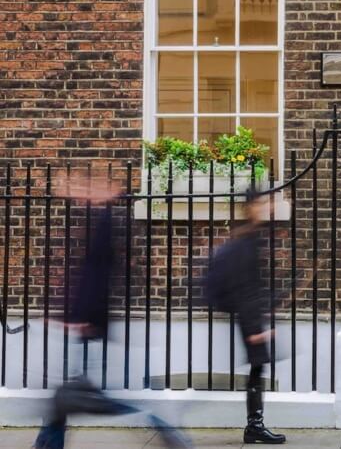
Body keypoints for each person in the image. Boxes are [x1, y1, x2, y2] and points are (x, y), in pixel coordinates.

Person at [35, 173, 192, 449]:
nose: (85, 192)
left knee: (85, 398)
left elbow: (96, 279)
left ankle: (157, 422)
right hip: (88, 324)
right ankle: (47, 443)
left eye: (92, 188)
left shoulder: (105, 225)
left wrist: (80, 319)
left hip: (90, 327)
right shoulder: (99, 222)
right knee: (65, 395)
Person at [206, 191, 286, 445]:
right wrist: (254, 328)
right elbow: (244, 287)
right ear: (251, 207)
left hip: (251, 314)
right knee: (257, 367)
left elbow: (253, 285)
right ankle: (254, 426)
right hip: (249, 317)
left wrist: (269, 306)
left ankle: (255, 426)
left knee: (258, 367)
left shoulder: (250, 237)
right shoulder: (246, 242)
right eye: (263, 203)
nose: (268, 208)